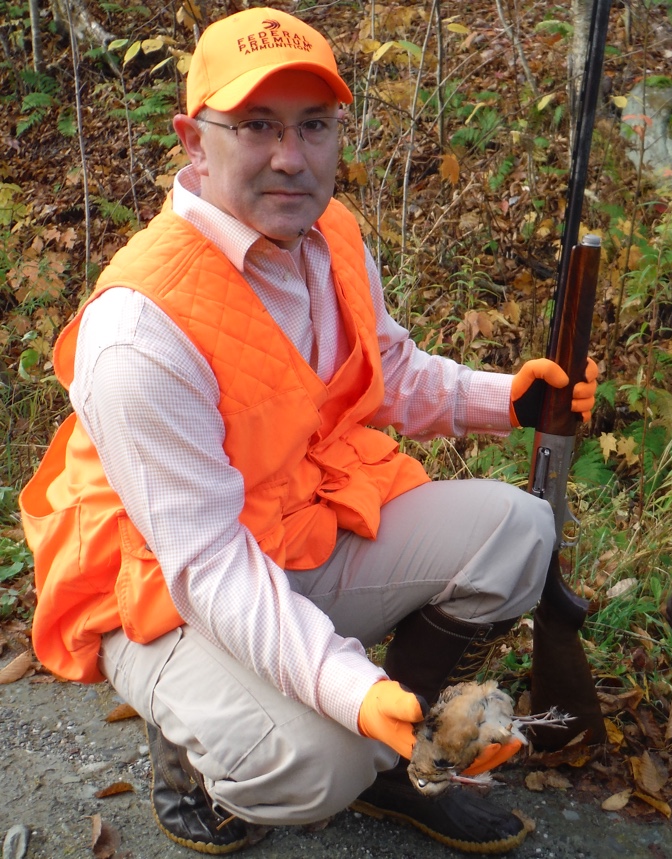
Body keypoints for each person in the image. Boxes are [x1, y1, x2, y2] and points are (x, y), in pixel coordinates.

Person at [19, 6, 599, 856]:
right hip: (155, 583)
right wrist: (346, 686)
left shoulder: (330, 233)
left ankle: (397, 760)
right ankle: (198, 759)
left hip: (291, 521)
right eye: (256, 125)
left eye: (314, 126)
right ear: (192, 138)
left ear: (337, 134)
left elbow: (388, 373)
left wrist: (505, 399)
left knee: (520, 531)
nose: (291, 157)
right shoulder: (140, 330)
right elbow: (209, 564)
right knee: (313, 763)